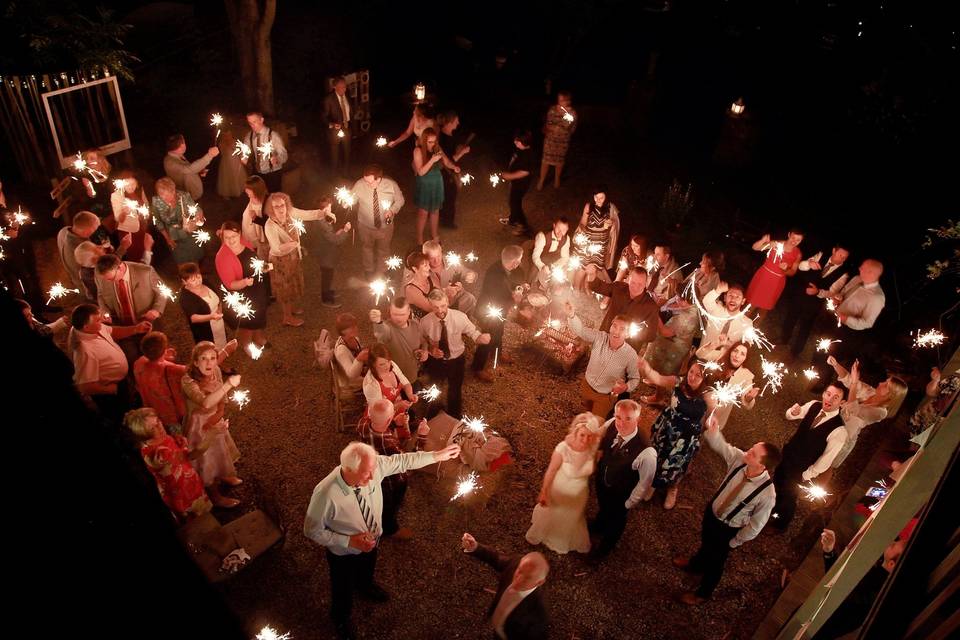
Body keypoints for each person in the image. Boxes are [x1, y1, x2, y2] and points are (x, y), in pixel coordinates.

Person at [303, 440, 461, 640]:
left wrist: (436, 456)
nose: (373, 477)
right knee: (342, 585)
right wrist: (349, 541)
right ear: (348, 469)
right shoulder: (325, 494)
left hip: (372, 540)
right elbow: (312, 531)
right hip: (343, 554)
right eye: (366, 473)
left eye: (373, 469)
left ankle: (365, 585)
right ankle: (341, 617)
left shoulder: (373, 465)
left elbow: (403, 461)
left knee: (368, 565)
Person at [673, 417, 780, 605]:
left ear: (763, 465)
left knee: (716, 563)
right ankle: (695, 565)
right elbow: (723, 447)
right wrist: (714, 431)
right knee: (706, 543)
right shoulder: (741, 460)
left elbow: (756, 525)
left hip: (727, 531)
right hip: (712, 514)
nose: (747, 452)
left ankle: (702, 594)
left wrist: (735, 541)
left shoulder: (767, 494)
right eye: (751, 449)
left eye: (753, 453)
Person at [637, 358, 713, 509]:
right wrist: (646, 368)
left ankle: (672, 488)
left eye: (698, 375)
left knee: (676, 464)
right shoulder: (678, 381)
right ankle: (652, 483)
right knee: (657, 455)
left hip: (686, 436)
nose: (692, 377)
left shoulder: (708, 394)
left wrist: (710, 424)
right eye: (691, 371)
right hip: (667, 427)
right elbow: (657, 378)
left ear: (705, 378)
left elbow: (711, 415)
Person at [771, 384, 847, 530]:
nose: (829, 399)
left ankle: (781, 524)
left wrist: (806, 475)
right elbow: (790, 415)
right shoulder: (813, 405)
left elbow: (826, 460)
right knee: (778, 482)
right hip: (788, 455)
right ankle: (772, 509)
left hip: (801, 468)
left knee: (789, 496)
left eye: (836, 397)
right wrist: (793, 412)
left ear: (842, 403)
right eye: (828, 393)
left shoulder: (839, 431)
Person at [815, 526, 912, 639]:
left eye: (893, 545)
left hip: (817, 626)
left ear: (892, 564)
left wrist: (829, 552)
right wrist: (828, 551)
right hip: (818, 616)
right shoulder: (879, 576)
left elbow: (836, 589)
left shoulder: (875, 589)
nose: (892, 542)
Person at [525, 414, 601, 554]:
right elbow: (551, 471)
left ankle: (563, 538)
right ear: (575, 432)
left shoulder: (592, 447)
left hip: (578, 496)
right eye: (582, 435)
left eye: (589, 436)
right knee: (555, 514)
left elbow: (602, 427)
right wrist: (544, 491)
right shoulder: (563, 448)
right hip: (559, 493)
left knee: (571, 518)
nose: (585, 440)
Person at [180, 341, 243, 508]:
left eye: (213, 358)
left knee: (221, 451)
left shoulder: (215, 370)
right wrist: (229, 385)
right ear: (195, 362)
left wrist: (220, 412)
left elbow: (219, 395)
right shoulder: (188, 381)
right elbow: (206, 403)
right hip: (200, 425)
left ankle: (223, 475)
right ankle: (216, 497)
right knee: (208, 460)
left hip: (215, 418)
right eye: (203, 358)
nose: (209, 363)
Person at [356, 399, 430, 540]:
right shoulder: (389, 445)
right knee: (388, 506)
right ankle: (390, 530)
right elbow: (408, 463)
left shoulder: (362, 423)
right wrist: (422, 436)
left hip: (369, 470)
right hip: (390, 482)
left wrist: (396, 423)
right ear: (389, 418)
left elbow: (379, 424)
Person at [124, 408, 213, 520]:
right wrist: (212, 434)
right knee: (198, 520)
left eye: (158, 422)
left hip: (185, 481)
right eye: (153, 428)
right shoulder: (159, 453)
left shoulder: (157, 439)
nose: (159, 427)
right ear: (144, 435)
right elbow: (191, 455)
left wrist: (178, 442)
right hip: (181, 492)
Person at [68, 303, 151, 423]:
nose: (102, 320)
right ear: (86, 327)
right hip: (109, 393)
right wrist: (113, 389)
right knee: (122, 418)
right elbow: (85, 386)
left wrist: (135, 329)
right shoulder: (84, 351)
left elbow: (112, 331)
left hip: (119, 383)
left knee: (132, 408)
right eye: (97, 320)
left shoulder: (92, 328)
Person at [589, 399, 650, 559]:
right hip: (603, 481)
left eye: (628, 418)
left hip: (621, 495)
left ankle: (604, 549)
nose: (621, 424)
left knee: (615, 521)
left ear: (638, 420)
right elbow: (600, 435)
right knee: (603, 507)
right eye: (618, 417)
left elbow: (644, 483)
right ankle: (599, 525)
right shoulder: (612, 424)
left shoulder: (646, 452)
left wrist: (629, 503)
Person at [460, 532, 550, 640]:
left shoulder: (539, 613)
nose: (518, 579)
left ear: (539, 582)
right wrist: (476, 547)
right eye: (519, 571)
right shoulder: (516, 562)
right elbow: (497, 558)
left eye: (527, 578)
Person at [420, 288, 491, 418]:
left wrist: (480, 338)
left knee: (455, 390)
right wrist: (431, 350)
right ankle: (433, 412)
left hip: (457, 360)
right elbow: (423, 340)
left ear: (447, 301)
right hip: (436, 362)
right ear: (430, 305)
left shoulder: (460, 317)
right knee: (434, 387)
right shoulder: (425, 322)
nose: (440, 310)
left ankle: (454, 415)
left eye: (442, 305)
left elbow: (472, 332)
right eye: (435, 307)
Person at [263, 192, 331, 327]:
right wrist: (294, 244)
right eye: (276, 206)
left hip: (293, 257)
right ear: (271, 209)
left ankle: (291, 309)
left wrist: (324, 213)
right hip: (280, 262)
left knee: (293, 283)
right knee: (285, 289)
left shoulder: (290, 212)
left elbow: (308, 214)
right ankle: (287, 317)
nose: (280, 209)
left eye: (282, 205)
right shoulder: (270, 226)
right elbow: (276, 249)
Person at [826, 356, 906, 468]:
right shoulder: (871, 392)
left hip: (844, 437)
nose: (881, 383)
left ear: (890, 395)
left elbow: (852, 410)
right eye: (885, 381)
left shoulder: (880, 412)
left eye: (886, 385)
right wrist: (835, 364)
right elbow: (849, 379)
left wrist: (854, 384)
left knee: (826, 467)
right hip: (833, 426)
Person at [565, 304, 640, 419]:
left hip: (605, 397)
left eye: (622, 329)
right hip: (587, 385)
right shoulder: (600, 337)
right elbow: (581, 331)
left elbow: (635, 378)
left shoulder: (630, 355)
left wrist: (625, 387)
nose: (616, 331)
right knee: (587, 410)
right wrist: (571, 315)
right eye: (614, 326)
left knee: (595, 425)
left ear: (628, 334)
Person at [780, 243, 851, 359]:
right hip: (801, 293)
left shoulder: (844, 274)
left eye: (844, 257)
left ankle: (795, 352)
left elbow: (832, 291)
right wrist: (809, 263)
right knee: (791, 316)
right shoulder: (821, 256)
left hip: (815, 302)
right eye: (840, 255)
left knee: (805, 327)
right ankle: (783, 339)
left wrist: (818, 292)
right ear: (834, 251)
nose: (841, 259)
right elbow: (801, 266)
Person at [94, 253, 166, 363]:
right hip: (122, 326)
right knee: (131, 359)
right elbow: (100, 294)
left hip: (147, 323)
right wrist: (104, 311)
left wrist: (156, 310)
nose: (109, 282)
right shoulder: (101, 276)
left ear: (121, 268)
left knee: (155, 356)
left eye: (112, 278)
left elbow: (162, 291)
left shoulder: (146, 272)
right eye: (107, 279)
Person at [472, 245, 526, 382]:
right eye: (519, 260)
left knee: (499, 331)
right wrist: (515, 300)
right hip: (488, 313)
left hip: (499, 312)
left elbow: (513, 282)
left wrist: (520, 287)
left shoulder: (505, 267)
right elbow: (499, 298)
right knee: (488, 337)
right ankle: (477, 367)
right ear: (514, 262)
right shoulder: (494, 276)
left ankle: (497, 353)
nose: (520, 263)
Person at [215, 221, 269, 351]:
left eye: (234, 236)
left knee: (259, 315)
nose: (231, 240)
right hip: (242, 294)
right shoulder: (222, 257)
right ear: (222, 237)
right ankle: (247, 344)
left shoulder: (244, 243)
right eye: (227, 237)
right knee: (247, 322)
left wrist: (262, 267)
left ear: (239, 234)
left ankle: (258, 338)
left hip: (256, 289)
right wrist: (244, 282)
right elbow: (230, 284)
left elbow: (252, 260)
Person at [585, 265, 664, 353]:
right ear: (629, 279)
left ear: (646, 284)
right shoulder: (619, 287)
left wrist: (632, 332)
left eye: (640, 284)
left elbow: (651, 335)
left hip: (626, 350)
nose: (635, 287)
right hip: (606, 337)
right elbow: (598, 286)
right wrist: (591, 275)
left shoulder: (651, 307)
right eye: (633, 282)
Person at [351, 164, 404, 280]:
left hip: (385, 226)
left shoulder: (391, 185)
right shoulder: (360, 185)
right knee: (367, 247)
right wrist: (347, 202)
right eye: (366, 181)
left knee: (384, 249)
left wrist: (392, 210)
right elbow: (352, 199)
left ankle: (383, 270)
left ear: (378, 179)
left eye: (370, 182)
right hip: (365, 225)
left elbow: (400, 200)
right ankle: (368, 270)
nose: (367, 184)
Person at [133, 331, 188, 434]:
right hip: (175, 417)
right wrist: (226, 350)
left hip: (155, 414)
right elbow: (198, 370)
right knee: (183, 439)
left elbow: (154, 361)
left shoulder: (138, 363)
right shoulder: (172, 370)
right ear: (164, 349)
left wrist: (164, 356)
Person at [745, 229, 804, 323]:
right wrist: (763, 241)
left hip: (777, 282)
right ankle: (736, 330)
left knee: (764, 309)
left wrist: (785, 270)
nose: (794, 241)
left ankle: (751, 332)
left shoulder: (798, 254)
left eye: (798, 240)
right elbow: (755, 248)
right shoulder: (777, 243)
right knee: (751, 304)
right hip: (764, 276)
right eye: (793, 237)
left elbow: (793, 272)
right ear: (789, 234)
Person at [412, 127, 459, 245]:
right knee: (423, 213)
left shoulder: (437, 149)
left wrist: (454, 167)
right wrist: (432, 160)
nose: (433, 144)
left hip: (437, 183)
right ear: (424, 141)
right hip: (425, 184)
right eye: (430, 142)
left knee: (435, 211)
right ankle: (419, 239)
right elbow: (421, 172)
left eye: (434, 141)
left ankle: (434, 235)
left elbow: (447, 161)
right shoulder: (418, 151)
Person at [572, 187, 620, 292]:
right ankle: (576, 287)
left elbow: (614, 227)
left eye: (601, 197)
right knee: (583, 267)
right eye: (596, 197)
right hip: (588, 242)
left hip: (600, 245)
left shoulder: (610, 208)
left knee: (594, 268)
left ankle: (588, 286)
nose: (598, 200)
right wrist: (583, 231)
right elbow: (582, 223)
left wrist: (611, 224)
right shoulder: (589, 207)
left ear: (606, 197)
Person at [703, 342, 760, 430]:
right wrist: (710, 347)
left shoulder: (746, 375)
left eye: (742, 354)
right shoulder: (720, 357)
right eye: (735, 351)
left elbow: (747, 401)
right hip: (699, 403)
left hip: (716, 414)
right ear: (730, 351)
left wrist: (749, 398)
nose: (737, 355)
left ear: (746, 358)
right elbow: (701, 356)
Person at [151, 177, 206, 266]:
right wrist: (167, 238)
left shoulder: (183, 196)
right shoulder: (156, 202)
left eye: (169, 193)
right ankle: (185, 276)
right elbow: (158, 222)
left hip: (189, 231)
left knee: (194, 256)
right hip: (173, 235)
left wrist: (199, 215)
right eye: (162, 194)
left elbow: (196, 208)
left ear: (174, 190)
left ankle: (196, 275)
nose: (166, 197)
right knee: (180, 260)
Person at [694, 282, 754, 361]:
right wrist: (718, 290)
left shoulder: (747, 323)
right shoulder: (716, 310)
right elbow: (707, 301)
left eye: (737, 297)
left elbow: (748, 345)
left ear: (743, 301)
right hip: (703, 355)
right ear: (725, 298)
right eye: (730, 296)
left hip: (724, 361)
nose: (733, 299)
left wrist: (729, 343)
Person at [370, 298, 424, 384]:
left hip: (412, 377)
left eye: (402, 314)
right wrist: (378, 322)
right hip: (394, 382)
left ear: (409, 312)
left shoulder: (415, 325)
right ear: (390, 311)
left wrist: (424, 351)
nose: (398, 318)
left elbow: (423, 341)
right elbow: (381, 333)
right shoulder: (388, 327)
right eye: (395, 314)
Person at [420, 240, 478, 315]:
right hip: (437, 304)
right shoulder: (421, 269)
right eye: (432, 258)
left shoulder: (450, 261)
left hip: (456, 299)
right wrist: (444, 292)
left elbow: (465, 271)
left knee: (470, 299)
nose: (436, 260)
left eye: (438, 256)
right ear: (424, 256)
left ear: (441, 252)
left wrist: (471, 275)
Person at [436, 110, 472, 229]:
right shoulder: (443, 138)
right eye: (456, 120)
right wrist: (463, 152)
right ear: (450, 122)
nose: (458, 123)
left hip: (449, 170)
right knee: (450, 196)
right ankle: (447, 222)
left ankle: (444, 218)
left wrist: (459, 148)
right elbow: (449, 160)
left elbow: (452, 153)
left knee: (448, 195)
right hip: (446, 171)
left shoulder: (449, 135)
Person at [178, 262, 228, 348]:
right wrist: (211, 316)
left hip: (217, 322)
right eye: (193, 280)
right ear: (184, 282)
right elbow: (194, 318)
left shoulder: (206, 282)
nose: (198, 281)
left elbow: (218, 298)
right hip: (205, 329)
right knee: (210, 349)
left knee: (221, 342)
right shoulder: (186, 297)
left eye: (198, 276)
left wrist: (219, 308)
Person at [108, 171, 154, 264]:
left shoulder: (140, 190)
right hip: (128, 232)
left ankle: (148, 269)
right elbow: (118, 219)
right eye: (127, 183)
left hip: (143, 228)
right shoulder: (116, 196)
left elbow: (146, 205)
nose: (130, 186)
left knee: (147, 250)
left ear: (137, 183)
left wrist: (146, 214)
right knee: (135, 256)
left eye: (133, 183)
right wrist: (124, 212)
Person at [314, 199, 351, 309]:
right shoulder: (323, 225)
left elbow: (330, 237)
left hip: (324, 253)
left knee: (328, 275)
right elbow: (335, 240)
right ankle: (326, 299)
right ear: (324, 209)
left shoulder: (320, 219)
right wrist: (345, 231)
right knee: (327, 276)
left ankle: (328, 291)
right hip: (326, 256)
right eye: (329, 208)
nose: (331, 210)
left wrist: (337, 233)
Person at [537, 91, 578, 190]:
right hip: (550, 140)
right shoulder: (552, 110)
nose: (560, 102)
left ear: (568, 101)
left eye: (562, 100)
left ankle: (557, 179)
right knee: (545, 161)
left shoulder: (572, 113)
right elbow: (547, 124)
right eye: (559, 99)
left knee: (559, 162)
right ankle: (541, 180)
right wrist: (553, 127)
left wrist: (560, 128)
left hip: (563, 142)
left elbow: (571, 128)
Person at [162, 133, 219, 201]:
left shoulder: (178, 155)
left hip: (192, 195)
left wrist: (199, 170)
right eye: (182, 144)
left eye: (184, 142)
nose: (185, 145)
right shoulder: (169, 162)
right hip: (187, 198)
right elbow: (188, 169)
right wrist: (209, 155)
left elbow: (188, 170)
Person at [499, 130, 534, 237]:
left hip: (521, 184)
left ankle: (524, 226)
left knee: (515, 204)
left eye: (518, 141)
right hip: (515, 183)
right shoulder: (520, 149)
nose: (515, 142)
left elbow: (525, 172)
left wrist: (509, 176)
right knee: (512, 201)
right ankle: (512, 219)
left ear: (525, 142)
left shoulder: (528, 155)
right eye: (515, 140)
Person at [241, 111, 288, 192]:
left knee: (273, 198)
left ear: (261, 120)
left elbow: (284, 155)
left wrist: (277, 159)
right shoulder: (249, 136)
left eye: (254, 122)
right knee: (259, 197)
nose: (252, 125)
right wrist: (244, 157)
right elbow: (245, 150)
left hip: (272, 173)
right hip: (257, 173)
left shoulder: (273, 135)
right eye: (250, 123)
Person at [57, 211, 102, 294]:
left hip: (75, 276)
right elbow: (101, 270)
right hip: (88, 288)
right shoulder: (81, 251)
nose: (96, 231)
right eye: (95, 229)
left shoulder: (63, 231)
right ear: (86, 232)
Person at [322, 77, 353, 174]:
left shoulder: (347, 95)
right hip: (335, 129)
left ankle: (346, 172)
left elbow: (350, 109)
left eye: (344, 87)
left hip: (347, 126)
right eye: (340, 87)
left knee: (347, 151)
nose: (343, 89)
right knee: (334, 153)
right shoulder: (328, 99)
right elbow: (323, 117)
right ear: (334, 87)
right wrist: (331, 124)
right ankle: (334, 175)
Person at [529, 217, 571, 287]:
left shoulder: (566, 239)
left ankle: (554, 288)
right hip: (540, 257)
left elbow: (565, 257)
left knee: (565, 268)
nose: (560, 233)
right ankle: (529, 285)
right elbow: (535, 256)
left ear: (567, 230)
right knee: (535, 269)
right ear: (554, 226)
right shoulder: (542, 236)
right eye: (558, 229)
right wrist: (542, 266)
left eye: (563, 230)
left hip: (553, 259)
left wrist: (556, 266)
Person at [333, 313, 369, 387]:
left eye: (355, 326)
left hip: (360, 369)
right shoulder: (342, 351)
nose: (356, 328)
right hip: (352, 380)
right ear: (343, 331)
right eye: (352, 327)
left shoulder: (354, 338)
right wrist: (359, 359)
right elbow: (351, 375)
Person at [240, 175, 270, 259]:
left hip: (259, 228)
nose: (246, 192)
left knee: (262, 245)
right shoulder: (250, 197)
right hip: (250, 226)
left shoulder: (267, 202)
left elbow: (269, 222)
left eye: (249, 190)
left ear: (257, 190)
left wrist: (255, 218)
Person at [216, 125, 248, 198]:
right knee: (227, 178)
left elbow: (239, 151)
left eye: (229, 135)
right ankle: (227, 193)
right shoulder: (221, 143)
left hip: (235, 161)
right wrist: (225, 145)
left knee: (237, 175)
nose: (228, 137)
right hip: (226, 162)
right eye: (226, 135)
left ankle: (239, 191)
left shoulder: (235, 142)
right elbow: (222, 153)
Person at [403, 252, 436, 320]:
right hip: (421, 325)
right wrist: (447, 295)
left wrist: (451, 290)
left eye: (429, 264)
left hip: (436, 319)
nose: (429, 268)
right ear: (415, 269)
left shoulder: (431, 278)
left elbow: (443, 297)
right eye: (425, 265)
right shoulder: (411, 289)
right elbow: (430, 308)